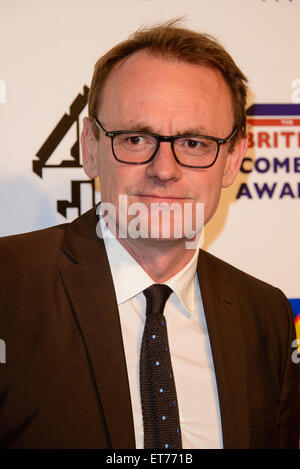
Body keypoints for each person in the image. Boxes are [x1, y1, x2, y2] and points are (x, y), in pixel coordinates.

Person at [0, 20, 299, 450]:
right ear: (90, 148)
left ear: (233, 159)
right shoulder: (9, 287)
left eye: (195, 143)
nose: (164, 169)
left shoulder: (265, 315)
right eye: (137, 138)